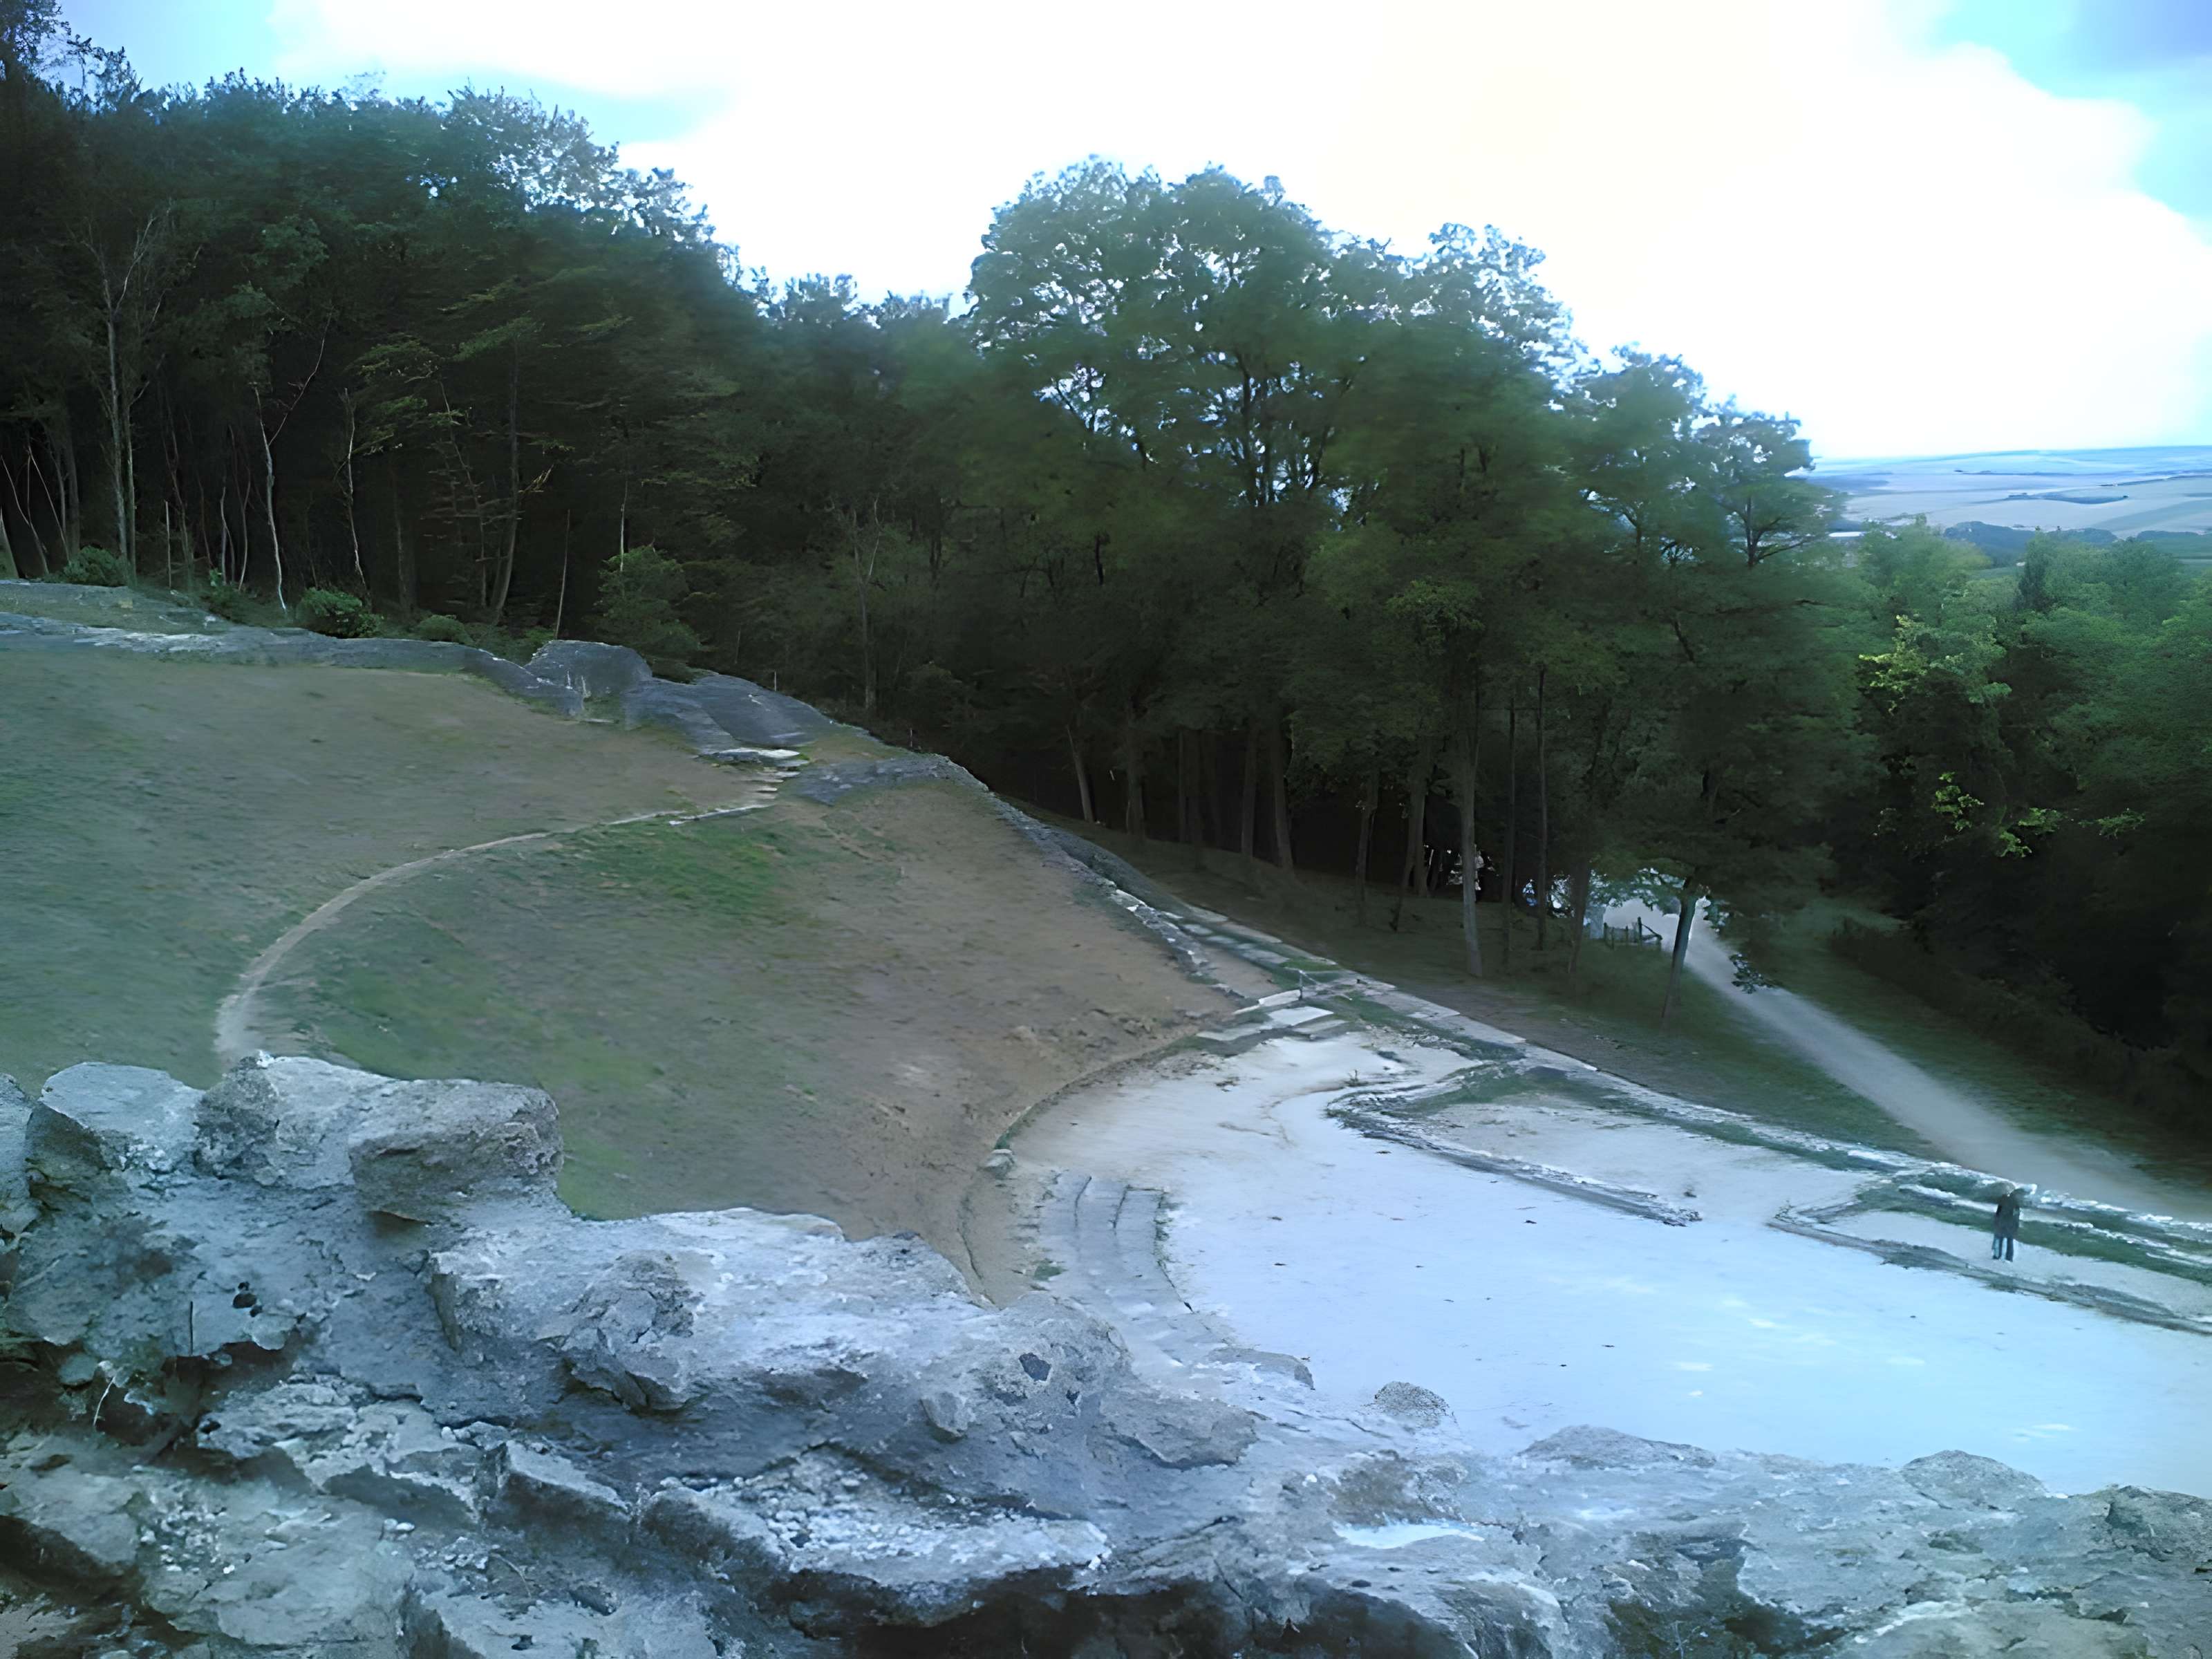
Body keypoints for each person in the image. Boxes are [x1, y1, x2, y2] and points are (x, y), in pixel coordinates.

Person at [1991, 1185, 2023, 1262]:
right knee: (2010, 1241)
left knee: (1999, 1239)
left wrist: (1996, 1221)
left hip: (2002, 1223)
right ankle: (2009, 1258)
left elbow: (1998, 1213)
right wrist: (2016, 1225)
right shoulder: (2016, 1202)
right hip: (2010, 1224)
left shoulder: (2003, 1199)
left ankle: (1997, 1256)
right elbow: (2016, 1215)